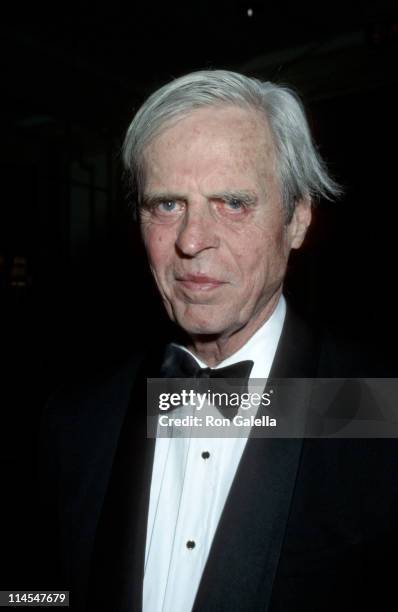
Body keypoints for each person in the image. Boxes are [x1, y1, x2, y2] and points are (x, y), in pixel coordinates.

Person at [39, 70, 397, 612]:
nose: (191, 239)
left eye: (232, 202)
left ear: (297, 220)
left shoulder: (376, 410)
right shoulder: (78, 420)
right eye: (166, 204)